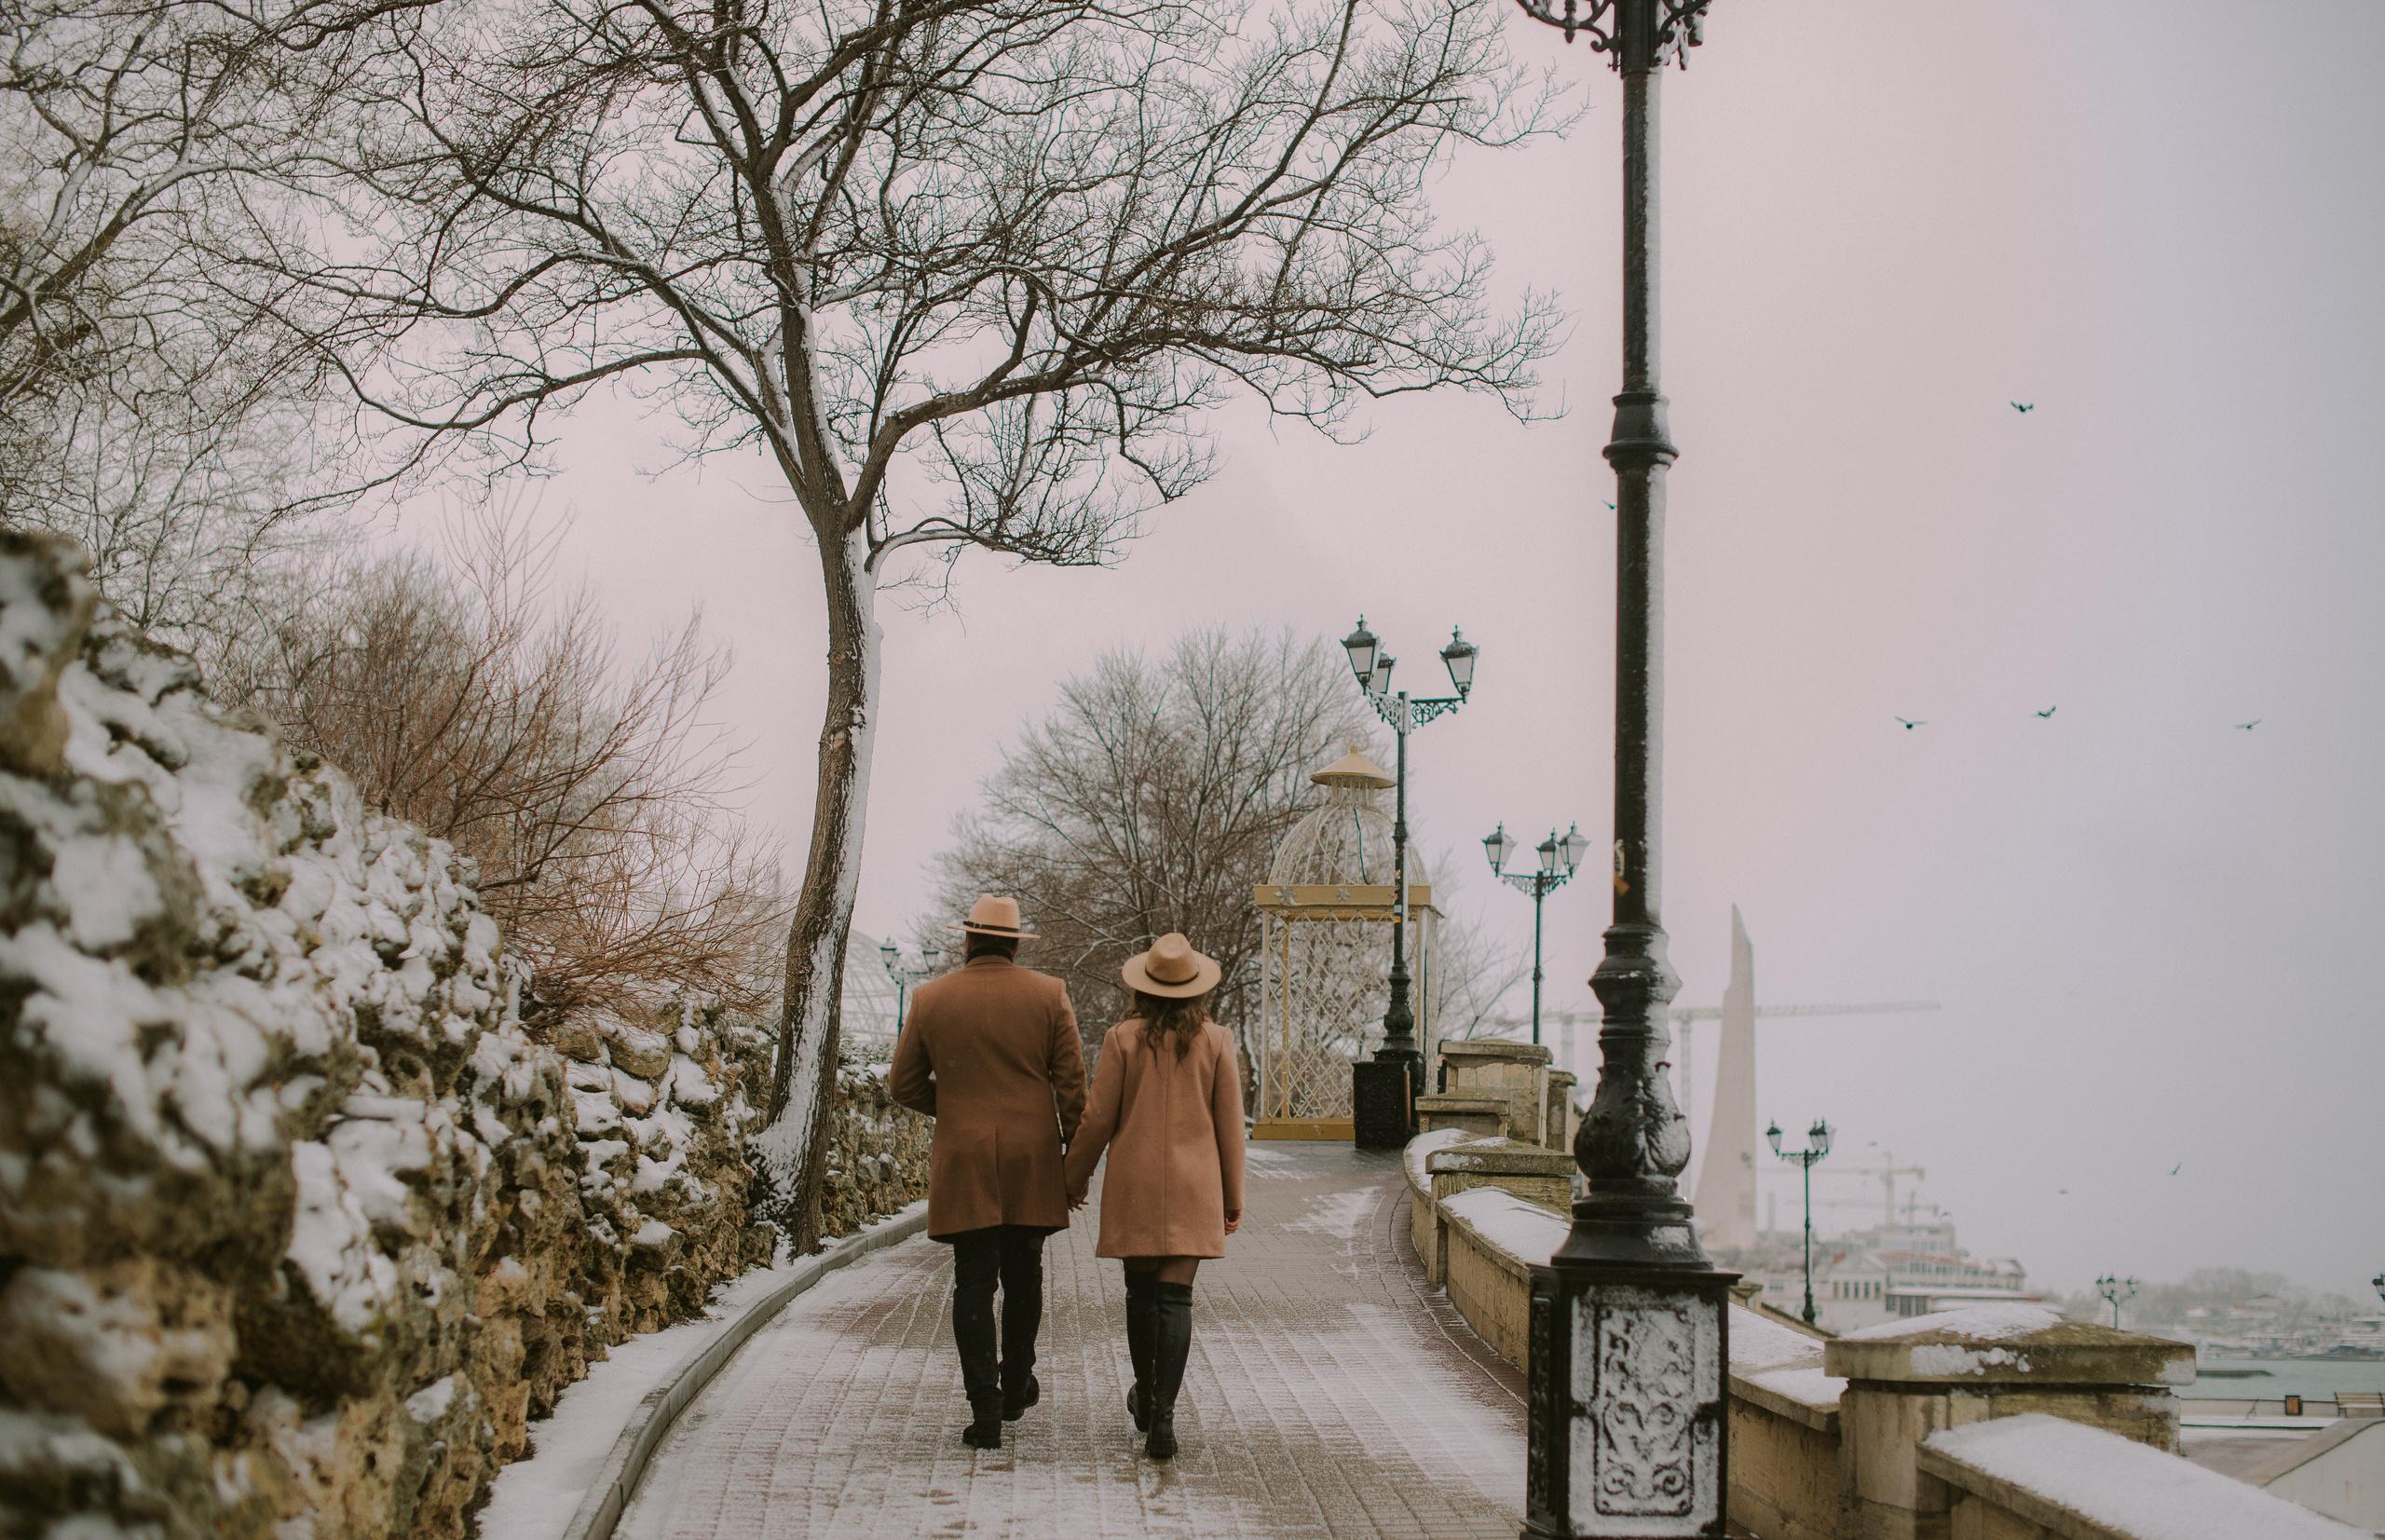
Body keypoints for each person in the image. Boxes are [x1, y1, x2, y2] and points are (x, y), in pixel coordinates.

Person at [890, 894, 1086, 1451]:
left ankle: (985, 1409)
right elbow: (1073, 1090)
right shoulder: (1048, 996)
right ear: (1016, 944)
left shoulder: (931, 999)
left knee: (973, 1282)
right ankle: (1018, 1380)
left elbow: (902, 1086)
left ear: (968, 940)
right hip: (1032, 1159)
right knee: (1025, 1276)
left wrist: (957, 1107)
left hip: (966, 1160)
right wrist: (1075, 1162)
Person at [1062, 933, 1247, 1460]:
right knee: (1176, 1299)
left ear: (1145, 988)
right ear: (1195, 990)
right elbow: (1230, 1127)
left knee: (1141, 1297)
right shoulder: (1216, 1040)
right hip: (1195, 1185)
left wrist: (1072, 1180)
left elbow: (1097, 1119)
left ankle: (1145, 1398)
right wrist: (1232, 1196)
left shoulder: (1123, 1038)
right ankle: (1163, 1416)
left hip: (1135, 1184)